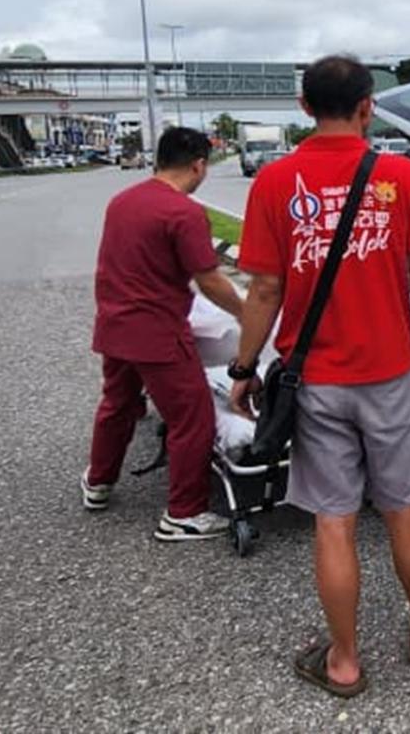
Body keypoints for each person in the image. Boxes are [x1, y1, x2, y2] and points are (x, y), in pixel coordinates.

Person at [229, 55, 410, 699]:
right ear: (367, 107)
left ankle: (345, 662)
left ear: (304, 107)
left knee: (334, 519)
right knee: (402, 504)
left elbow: (265, 288)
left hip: (315, 380)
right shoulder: (401, 176)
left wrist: (245, 369)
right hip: (387, 373)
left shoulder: (275, 181)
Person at [82, 126, 245, 541]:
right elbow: (209, 281)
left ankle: (98, 482)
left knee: (118, 404)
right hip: (157, 331)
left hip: (115, 323)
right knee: (192, 416)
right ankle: (185, 513)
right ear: (198, 165)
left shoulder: (122, 202)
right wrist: (249, 313)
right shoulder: (183, 212)